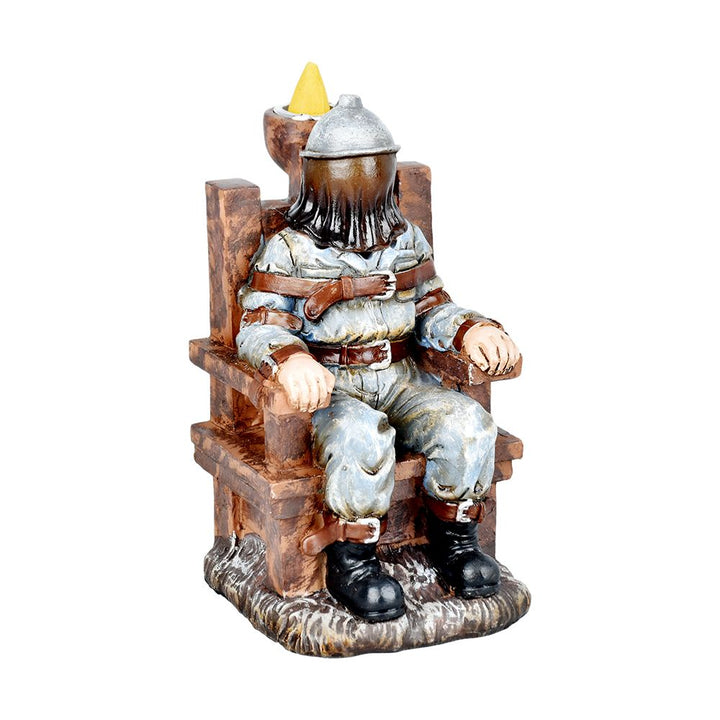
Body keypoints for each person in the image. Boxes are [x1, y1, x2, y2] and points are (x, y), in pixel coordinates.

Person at [236, 95, 520, 622]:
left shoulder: (404, 238)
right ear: (321, 178)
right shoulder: (290, 249)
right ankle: (354, 559)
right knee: (360, 437)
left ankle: (455, 540)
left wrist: (471, 329)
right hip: (332, 386)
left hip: (400, 377)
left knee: (468, 424)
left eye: (371, 170)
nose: (361, 185)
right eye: (350, 172)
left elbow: (431, 304)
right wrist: (291, 359)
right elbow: (258, 325)